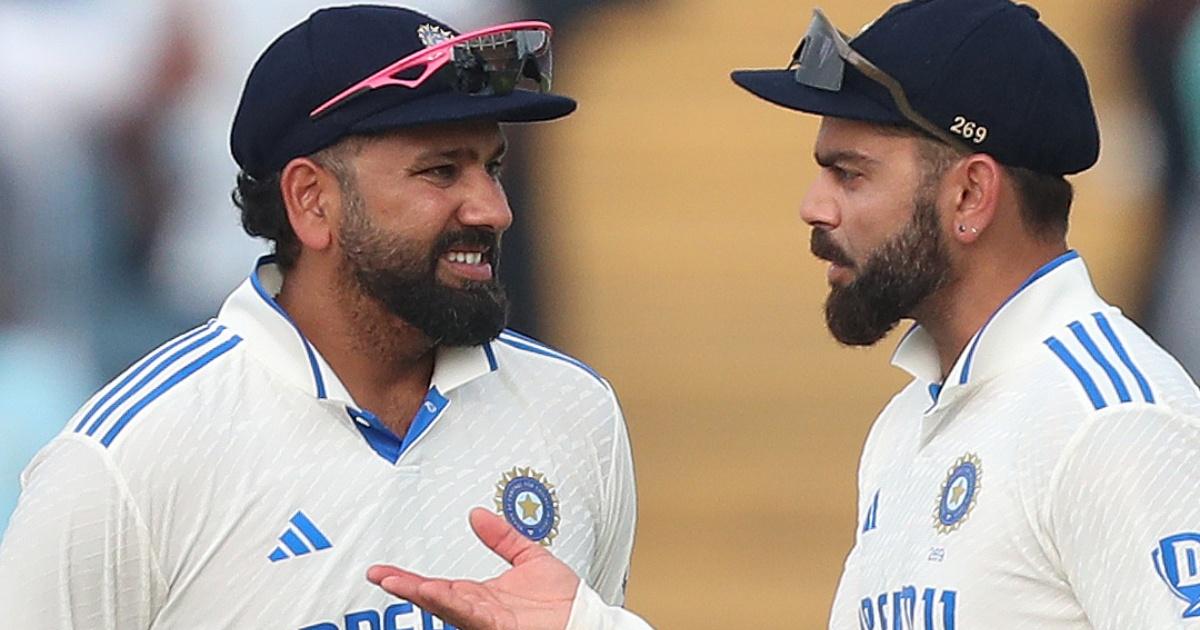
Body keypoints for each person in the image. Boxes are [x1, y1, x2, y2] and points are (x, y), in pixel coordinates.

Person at [368, 0, 1200, 628]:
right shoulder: (913, 422)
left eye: (850, 173)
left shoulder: (1112, 421)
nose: (813, 206)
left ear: (970, 196)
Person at [0, 5, 637, 628]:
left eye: (492, 168)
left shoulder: (574, 409)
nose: (494, 210)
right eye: (441, 171)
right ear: (311, 201)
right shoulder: (126, 459)